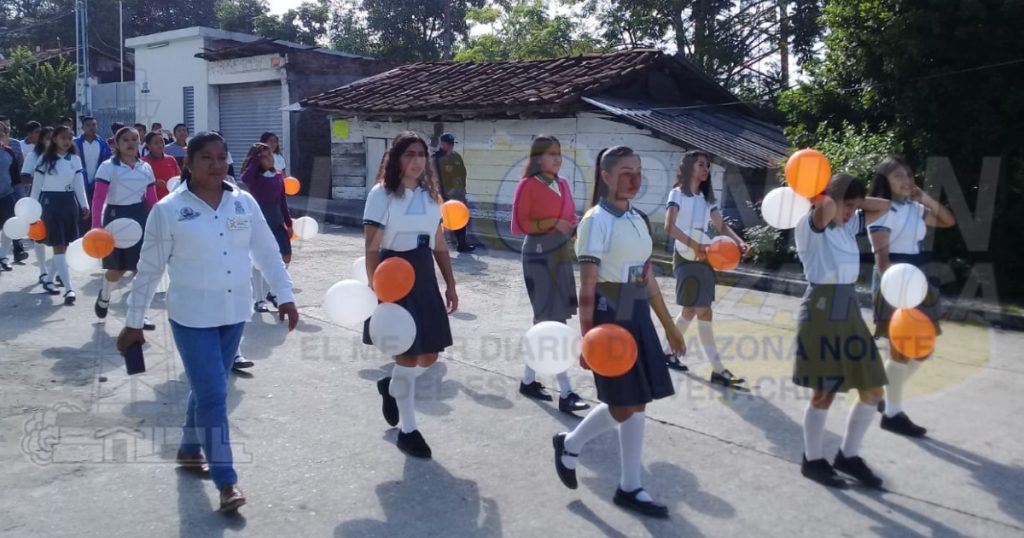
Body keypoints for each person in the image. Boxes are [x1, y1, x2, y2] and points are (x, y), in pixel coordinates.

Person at [117, 131, 298, 513]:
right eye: (206, 158)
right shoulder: (168, 210)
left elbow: (266, 251)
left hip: (234, 313)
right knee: (215, 393)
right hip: (192, 316)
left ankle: (188, 449)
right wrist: (134, 321)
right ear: (189, 163)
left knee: (207, 388)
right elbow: (149, 270)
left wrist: (285, 294)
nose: (216, 164)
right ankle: (226, 481)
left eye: (221, 157)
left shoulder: (243, 202)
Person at [552, 146, 684, 519]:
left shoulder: (637, 219)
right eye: (625, 171)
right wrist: (587, 337)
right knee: (623, 403)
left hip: (636, 311)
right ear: (606, 176)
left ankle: (629, 485)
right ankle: (571, 444)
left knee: (636, 401)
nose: (634, 178)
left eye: (638, 171)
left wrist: (669, 326)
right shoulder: (595, 221)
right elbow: (587, 285)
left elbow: (647, 278)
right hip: (609, 315)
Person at [792, 173, 891, 489]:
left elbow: (884, 205)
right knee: (824, 391)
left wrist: (855, 201)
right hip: (821, 310)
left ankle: (848, 456)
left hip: (848, 309)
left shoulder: (847, 227)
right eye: (847, 206)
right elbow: (827, 209)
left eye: (855, 208)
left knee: (873, 388)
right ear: (831, 200)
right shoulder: (810, 225)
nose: (851, 213)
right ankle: (813, 460)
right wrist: (831, 194)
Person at [365, 131, 458, 459]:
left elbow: (439, 242)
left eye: (421, 154)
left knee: (429, 355)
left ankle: (391, 387)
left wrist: (451, 283)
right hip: (393, 274)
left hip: (423, 274)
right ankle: (409, 430)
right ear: (396, 158)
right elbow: (372, 245)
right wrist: (374, 288)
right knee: (405, 353)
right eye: (409, 154)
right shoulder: (382, 194)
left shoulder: (430, 195)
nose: (417, 160)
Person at [867, 156, 956, 437]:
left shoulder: (915, 208)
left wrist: (923, 196)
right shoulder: (881, 210)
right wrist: (895, 291)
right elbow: (882, 257)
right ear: (884, 181)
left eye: (908, 174)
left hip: (918, 277)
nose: (906, 180)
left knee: (923, 348)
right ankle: (892, 413)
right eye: (898, 176)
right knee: (900, 348)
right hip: (894, 278)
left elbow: (948, 220)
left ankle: (884, 395)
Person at [510, 135, 589, 414]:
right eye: (551, 153)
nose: (557, 158)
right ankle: (565, 391)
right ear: (537, 157)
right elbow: (519, 225)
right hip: (538, 254)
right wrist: (553, 222)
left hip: (560, 255)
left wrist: (576, 226)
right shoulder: (527, 185)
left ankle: (528, 380)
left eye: (559, 153)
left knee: (547, 320)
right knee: (551, 321)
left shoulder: (563, 183)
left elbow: (570, 217)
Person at [663, 150, 749, 386]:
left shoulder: (706, 198)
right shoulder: (677, 194)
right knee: (703, 311)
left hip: (705, 256)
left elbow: (721, 226)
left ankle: (666, 353)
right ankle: (718, 370)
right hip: (686, 256)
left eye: (707, 166)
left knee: (690, 310)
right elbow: (669, 226)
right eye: (701, 164)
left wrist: (739, 241)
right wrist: (695, 245)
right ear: (689, 167)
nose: (706, 169)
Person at [91, 127, 158, 330]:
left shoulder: (145, 168)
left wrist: (158, 222)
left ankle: (139, 313)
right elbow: (98, 199)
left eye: (135, 139)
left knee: (142, 268)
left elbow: (152, 199)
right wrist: (96, 226)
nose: (131, 143)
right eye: (126, 140)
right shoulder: (107, 167)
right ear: (117, 144)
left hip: (140, 217)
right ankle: (105, 295)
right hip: (116, 218)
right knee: (118, 269)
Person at [31, 126, 89, 304]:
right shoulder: (44, 159)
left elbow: (79, 185)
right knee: (59, 244)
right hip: (50, 204)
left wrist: (84, 204)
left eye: (70, 138)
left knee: (64, 245)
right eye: (63, 137)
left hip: (69, 203)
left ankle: (49, 280)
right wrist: (32, 210)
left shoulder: (75, 159)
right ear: (54, 139)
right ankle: (69, 289)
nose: (67, 141)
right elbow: (36, 188)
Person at [432, 133, 475, 252]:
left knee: (460, 219)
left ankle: (462, 244)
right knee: (439, 221)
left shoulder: (456, 156)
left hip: (458, 195)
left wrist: (463, 193)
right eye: (448, 143)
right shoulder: (436, 158)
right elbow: (434, 178)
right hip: (444, 196)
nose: (451, 146)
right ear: (441, 143)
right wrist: (440, 196)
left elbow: (462, 174)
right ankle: (434, 245)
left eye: (452, 143)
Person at [74, 116, 113, 232]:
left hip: (98, 183)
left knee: (97, 212)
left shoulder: (103, 143)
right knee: (81, 214)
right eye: (88, 125)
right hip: (80, 183)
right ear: (82, 127)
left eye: (94, 125)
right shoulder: (75, 143)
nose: (91, 127)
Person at [0, 122, 22, 271]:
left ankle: (3, 257)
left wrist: (20, 197)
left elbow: (15, 177)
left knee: (8, 228)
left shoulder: (8, 152)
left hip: (7, 195)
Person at [142, 131, 181, 200]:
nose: (160, 145)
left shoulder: (170, 159)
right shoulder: (143, 162)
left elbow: (178, 178)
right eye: (156, 143)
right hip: (152, 201)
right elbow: (139, 183)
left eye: (161, 142)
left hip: (171, 199)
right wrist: (154, 183)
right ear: (148, 145)